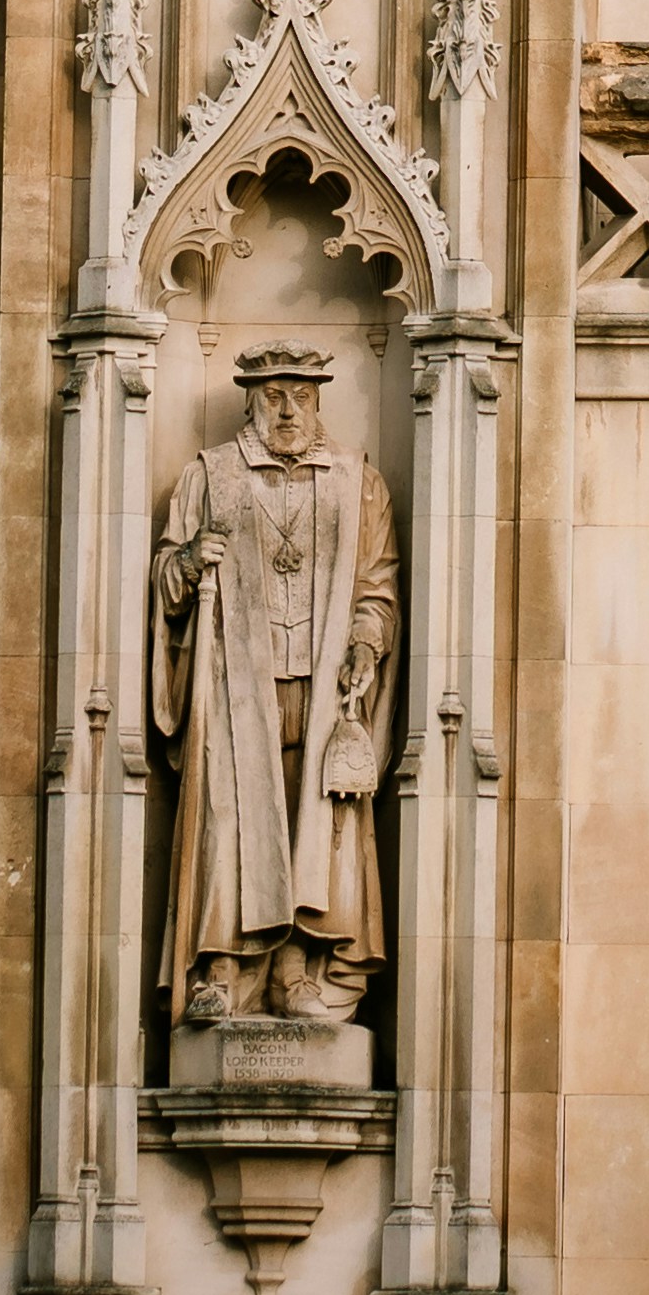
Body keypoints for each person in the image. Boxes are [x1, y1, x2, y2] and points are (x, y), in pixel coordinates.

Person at [152, 337, 400, 1028]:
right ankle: (223, 966)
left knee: (308, 820)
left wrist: (365, 640)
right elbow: (166, 575)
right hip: (236, 683)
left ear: (318, 397)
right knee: (232, 816)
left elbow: (377, 585)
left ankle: (296, 968)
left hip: (320, 684)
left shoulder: (358, 479)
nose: (287, 408)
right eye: (272, 395)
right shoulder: (211, 475)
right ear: (251, 400)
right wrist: (186, 562)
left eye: (300, 393)